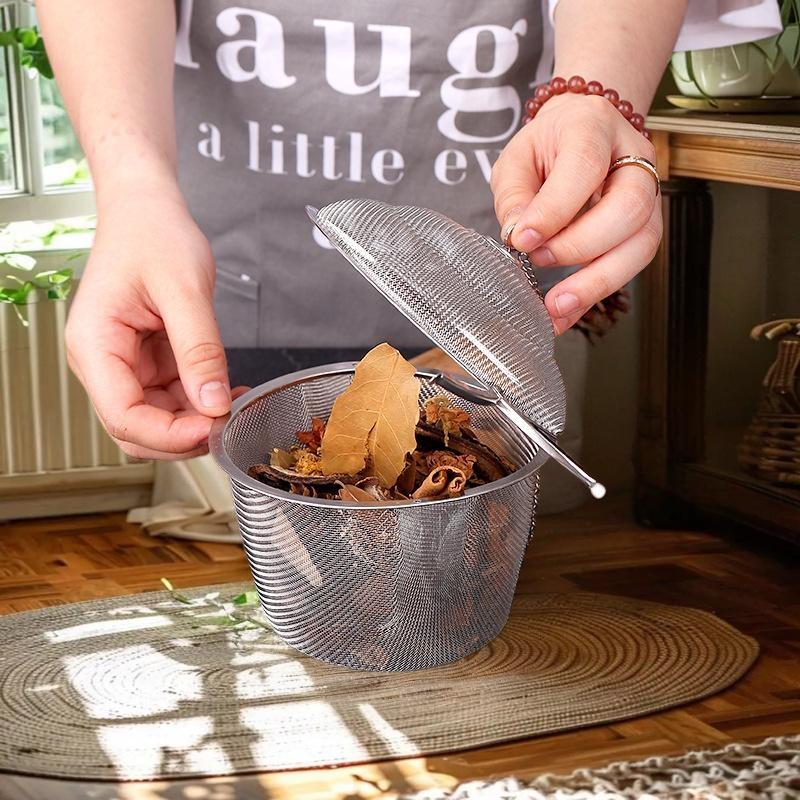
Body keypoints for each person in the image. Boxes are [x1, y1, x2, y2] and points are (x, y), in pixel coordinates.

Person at [38, 0, 781, 462]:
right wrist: (132, 192)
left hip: (492, 299)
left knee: (495, 545)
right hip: (228, 280)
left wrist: (596, 96)